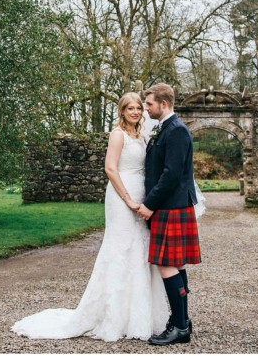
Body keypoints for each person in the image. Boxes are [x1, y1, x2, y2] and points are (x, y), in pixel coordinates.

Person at [11, 92, 168, 341]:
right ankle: (114, 316)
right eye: (131, 108)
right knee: (120, 248)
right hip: (121, 195)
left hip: (141, 191)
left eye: (139, 107)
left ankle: (138, 315)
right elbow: (110, 168)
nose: (136, 112)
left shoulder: (143, 134)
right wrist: (128, 199)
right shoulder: (117, 134)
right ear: (122, 111)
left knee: (139, 248)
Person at [137, 82, 201, 346]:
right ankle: (181, 319)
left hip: (170, 205)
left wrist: (149, 204)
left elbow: (171, 175)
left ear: (163, 104)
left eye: (149, 104)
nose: (146, 108)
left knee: (165, 263)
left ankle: (180, 328)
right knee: (176, 264)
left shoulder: (175, 131)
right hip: (173, 205)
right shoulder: (165, 128)